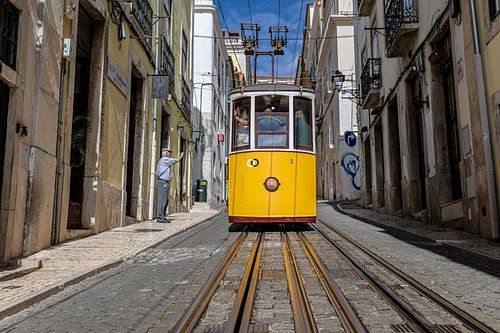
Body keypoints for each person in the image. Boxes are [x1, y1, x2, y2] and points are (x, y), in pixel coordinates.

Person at [156, 148, 184, 223]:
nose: (170, 154)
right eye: (169, 153)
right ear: (165, 153)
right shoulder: (164, 159)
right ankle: (160, 217)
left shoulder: (165, 160)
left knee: (165, 200)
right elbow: (177, 160)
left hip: (164, 182)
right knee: (162, 200)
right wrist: (181, 156)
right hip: (163, 182)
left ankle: (162, 216)